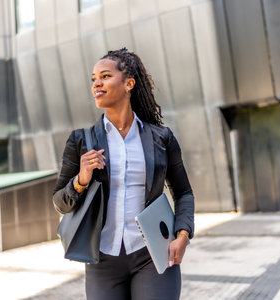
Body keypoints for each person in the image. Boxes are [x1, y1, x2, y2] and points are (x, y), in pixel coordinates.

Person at [52, 48, 194, 300]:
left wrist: (182, 235)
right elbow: (60, 203)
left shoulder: (161, 139)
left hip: (153, 255)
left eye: (105, 76)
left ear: (129, 83)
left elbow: (183, 192)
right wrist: (81, 180)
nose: (97, 83)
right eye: (94, 78)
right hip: (103, 260)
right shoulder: (81, 141)